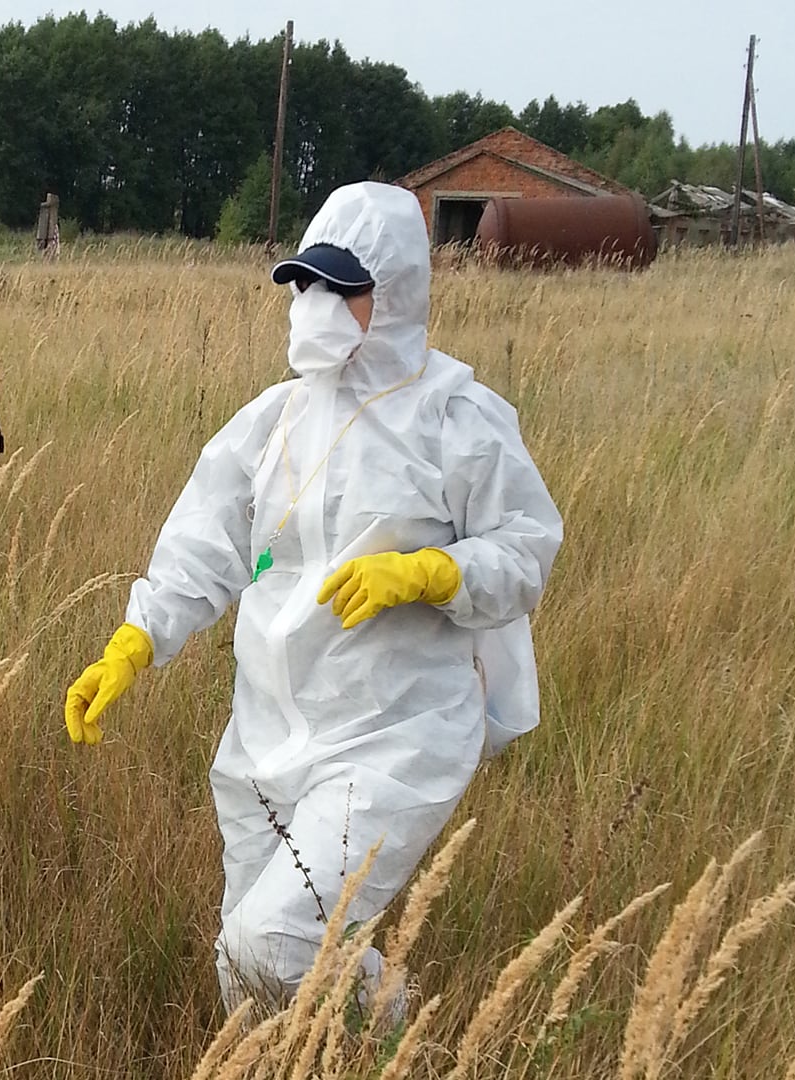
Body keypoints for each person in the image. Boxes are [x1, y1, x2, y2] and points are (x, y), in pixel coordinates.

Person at [61, 182, 561, 1013]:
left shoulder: (455, 417)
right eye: (307, 284)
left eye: (343, 288)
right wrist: (133, 643)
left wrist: (436, 572)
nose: (316, 305)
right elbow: (203, 547)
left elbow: (527, 547)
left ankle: (397, 1026)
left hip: (390, 735)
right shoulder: (274, 420)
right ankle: (373, 1040)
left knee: (275, 942)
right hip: (264, 734)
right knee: (245, 972)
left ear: (395, 292)